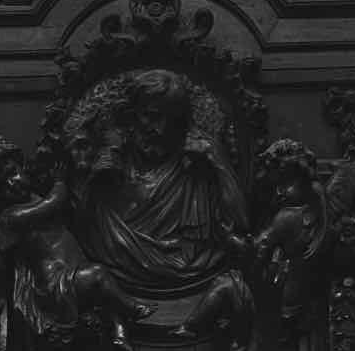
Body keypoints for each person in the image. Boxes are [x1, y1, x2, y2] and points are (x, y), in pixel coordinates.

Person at [0, 133, 152, 351]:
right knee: (99, 276)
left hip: (74, 265)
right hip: (57, 280)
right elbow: (54, 203)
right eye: (3, 184)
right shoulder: (14, 215)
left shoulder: (31, 196)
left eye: (14, 172)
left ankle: (120, 334)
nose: (14, 182)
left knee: (104, 297)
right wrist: (60, 181)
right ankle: (132, 307)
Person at [78, 68, 248, 292]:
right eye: (152, 116)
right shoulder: (107, 172)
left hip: (192, 273)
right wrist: (97, 178)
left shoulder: (197, 170)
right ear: (131, 115)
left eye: (172, 120)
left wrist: (218, 163)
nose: (160, 129)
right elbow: (84, 228)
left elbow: (241, 226)